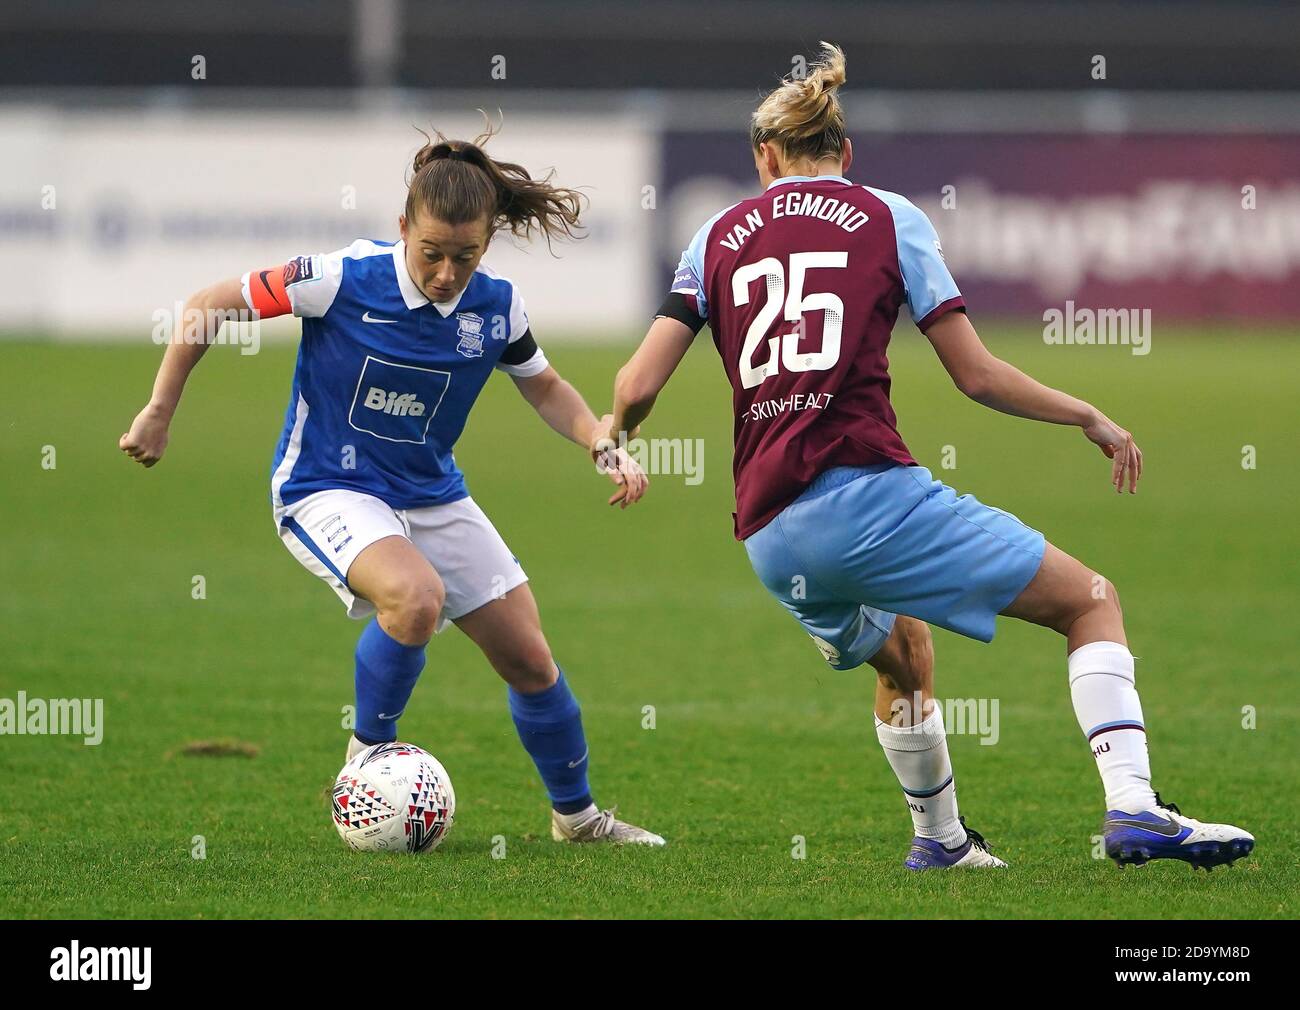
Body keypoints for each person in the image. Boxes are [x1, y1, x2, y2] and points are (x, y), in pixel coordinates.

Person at [601, 44, 1253, 869]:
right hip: (868, 498)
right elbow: (975, 375)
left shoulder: (714, 235)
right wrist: (1086, 412)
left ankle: (941, 842)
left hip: (770, 534)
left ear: (764, 158)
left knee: (905, 653)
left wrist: (613, 442)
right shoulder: (888, 216)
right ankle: (1133, 807)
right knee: (1091, 602)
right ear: (847, 153)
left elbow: (636, 381)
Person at [121, 126, 664, 846]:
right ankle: (366, 756)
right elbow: (206, 304)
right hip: (326, 486)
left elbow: (546, 389)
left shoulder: (497, 307)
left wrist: (600, 440)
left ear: (487, 245)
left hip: (431, 492)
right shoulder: (341, 278)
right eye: (431, 252)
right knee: (414, 599)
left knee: (530, 659)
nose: (446, 272)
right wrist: (160, 409)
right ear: (402, 226)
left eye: (464, 257)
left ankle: (579, 819)